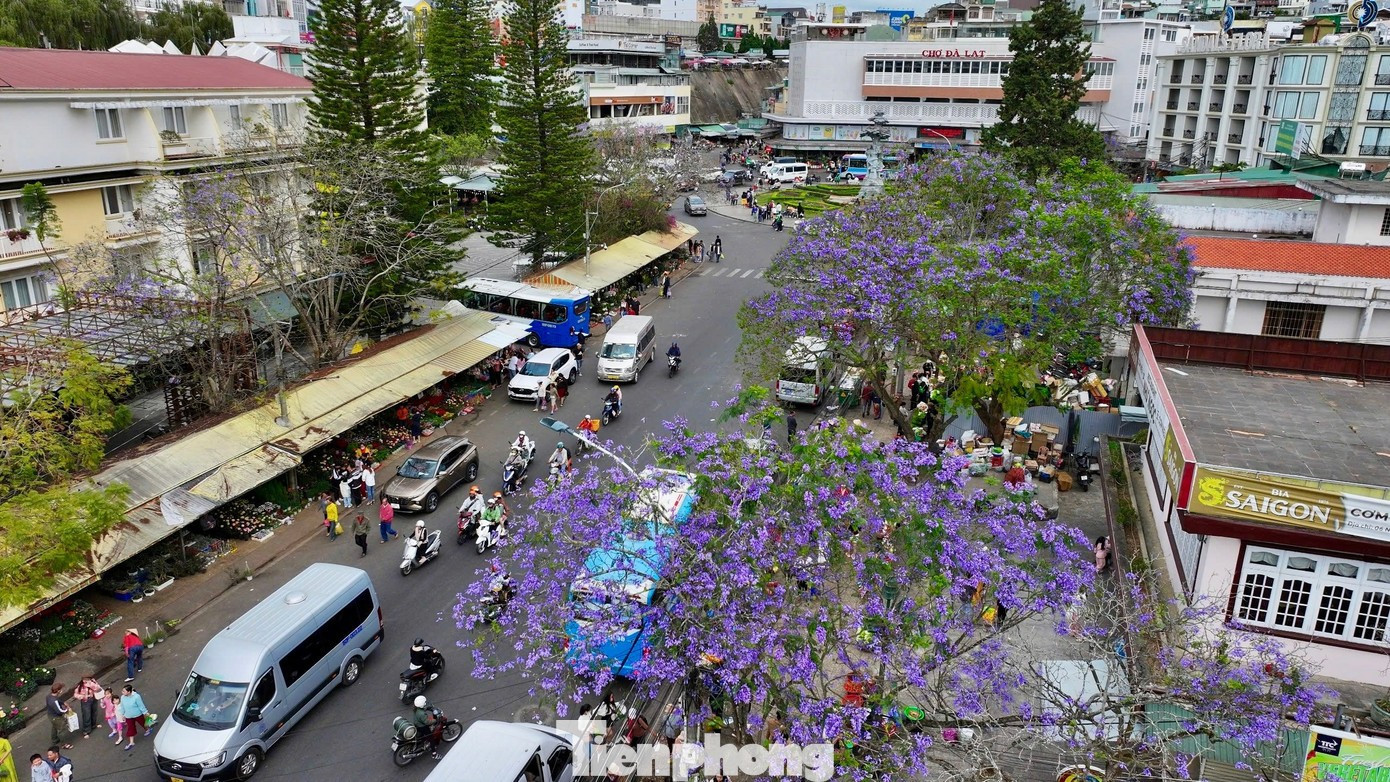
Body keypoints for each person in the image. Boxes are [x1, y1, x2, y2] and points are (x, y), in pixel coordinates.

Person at [117, 684, 149, 750]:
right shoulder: (122, 697)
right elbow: (122, 706)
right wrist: (123, 714)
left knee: (142, 723)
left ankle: (147, 729)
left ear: (129, 692)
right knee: (130, 728)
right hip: (128, 716)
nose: (122, 692)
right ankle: (131, 742)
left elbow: (141, 705)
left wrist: (145, 712)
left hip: (137, 714)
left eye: (124, 691)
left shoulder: (136, 697)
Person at [43, 685, 70, 750]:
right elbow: (59, 711)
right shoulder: (54, 701)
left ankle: (54, 739)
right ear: (58, 690)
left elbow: (58, 701)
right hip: (56, 717)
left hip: (51, 715)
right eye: (61, 689)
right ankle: (64, 744)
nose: (62, 690)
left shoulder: (49, 696)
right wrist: (67, 710)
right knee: (62, 729)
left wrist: (63, 703)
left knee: (54, 727)